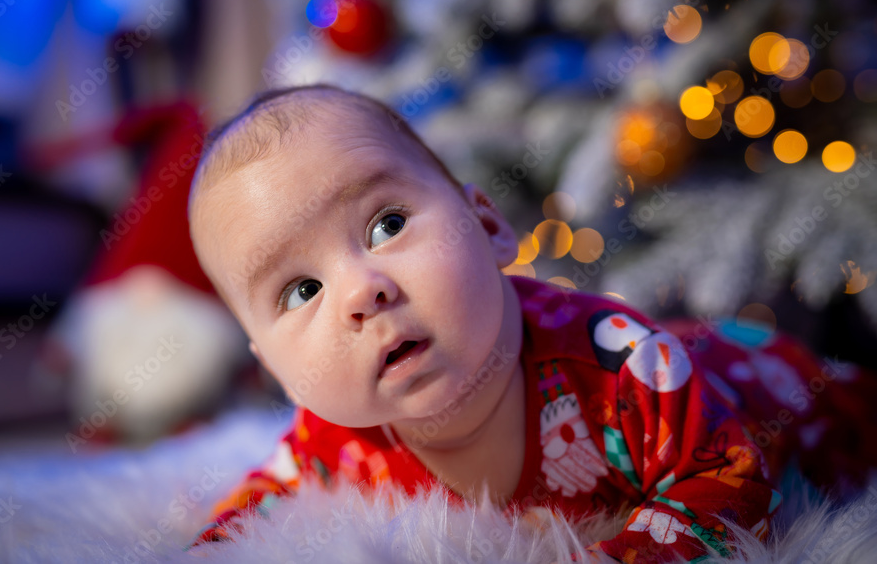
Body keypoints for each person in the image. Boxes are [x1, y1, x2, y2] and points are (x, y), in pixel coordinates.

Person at [186, 84, 876, 562]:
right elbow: (264, 498)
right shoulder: (332, 432)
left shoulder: (618, 368)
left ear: (488, 226)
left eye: (387, 224)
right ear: (271, 364)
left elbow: (728, 473)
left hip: (770, 383)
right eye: (302, 289)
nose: (362, 291)